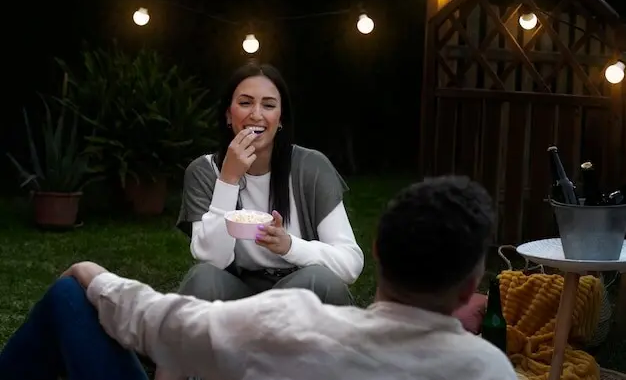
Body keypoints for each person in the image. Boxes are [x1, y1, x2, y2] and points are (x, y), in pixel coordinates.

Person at [0, 175, 518, 380]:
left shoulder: (290, 326)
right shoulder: (487, 370)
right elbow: (207, 254)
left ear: (379, 251)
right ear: (470, 286)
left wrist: (93, 276)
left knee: (70, 295)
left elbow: (159, 322)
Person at [173, 61, 364, 308]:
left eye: (269, 105)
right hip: (236, 295)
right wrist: (228, 180)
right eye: (245, 103)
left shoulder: (311, 166)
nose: (256, 114)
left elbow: (350, 263)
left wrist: (289, 246)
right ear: (229, 115)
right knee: (202, 278)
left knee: (322, 280)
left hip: (296, 293)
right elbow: (213, 259)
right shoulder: (204, 171)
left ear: (280, 118)